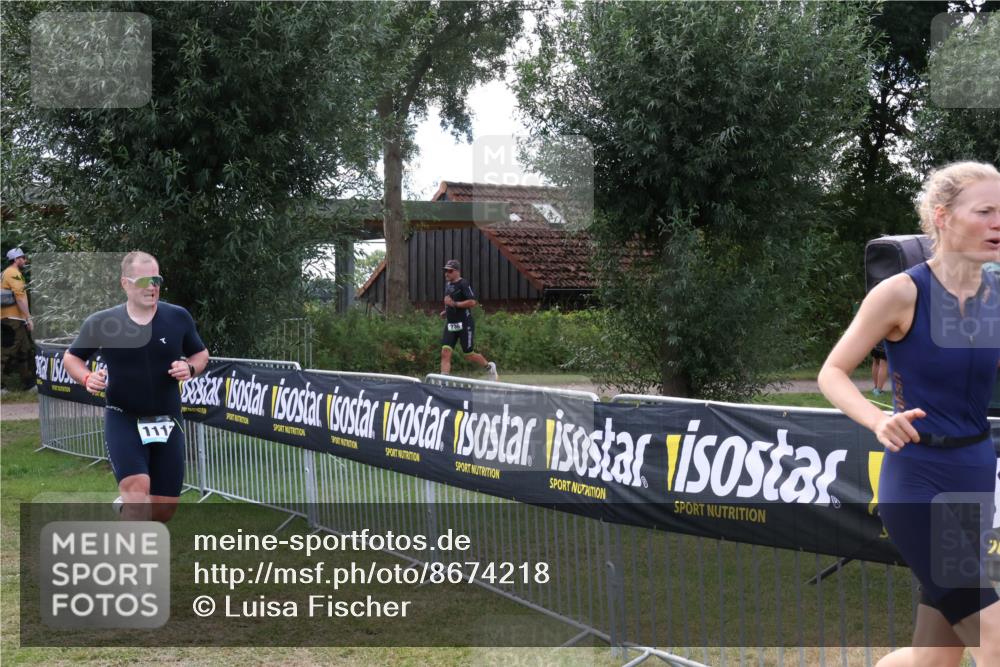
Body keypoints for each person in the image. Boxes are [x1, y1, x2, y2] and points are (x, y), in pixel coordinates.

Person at [818, 162, 1000, 666]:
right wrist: (877, 420)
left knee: (934, 661)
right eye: (985, 211)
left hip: (975, 479)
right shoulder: (902, 292)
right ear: (942, 217)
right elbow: (832, 372)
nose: (997, 223)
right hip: (919, 484)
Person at [62, 251, 209, 522]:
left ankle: (127, 508)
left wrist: (189, 368)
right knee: (138, 493)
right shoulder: (103, 322)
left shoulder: (178, 317)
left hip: (168, 419)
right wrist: (86, 377)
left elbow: (201, 355)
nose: (151, 287)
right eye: (143, 281)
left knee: (164, 510)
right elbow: (72, 357)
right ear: (125, 284)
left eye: (156, 279)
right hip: (124, 418)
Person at [439, 259, 498, 381]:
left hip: (465, 324)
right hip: (451, 324)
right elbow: (450, 302)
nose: (446, 274)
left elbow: (472, 302)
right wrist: (447, 311)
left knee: (468, 354)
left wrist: (454, 304)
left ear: (457, 272)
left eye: (449, 271)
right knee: (445, 352)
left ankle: (489, 367)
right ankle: (443, 383)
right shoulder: (448, 285)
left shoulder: (463, 284)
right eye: (445, 271)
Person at [1, 247, 36, 391]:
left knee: (25, 350)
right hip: (12, 319)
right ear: (16, 260)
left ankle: (28, 383)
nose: (25, 260)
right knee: (6, 352)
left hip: (13, 318)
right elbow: (20, 297)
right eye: (22, 257)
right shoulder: (14, 274)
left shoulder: (5, 273)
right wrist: (28, 318)